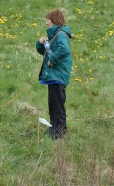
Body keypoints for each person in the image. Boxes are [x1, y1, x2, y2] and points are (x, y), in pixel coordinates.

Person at [36, 9, 72, 139]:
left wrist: (52, 60)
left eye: (47, 20)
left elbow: (64, 50)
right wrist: (40, 44)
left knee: (57, 106)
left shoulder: (61, 34)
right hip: (54, 77)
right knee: (53, 104)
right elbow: (46, 52)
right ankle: (55, 131)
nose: (46, 23)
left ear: (53, 20)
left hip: (58, 76)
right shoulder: (55, 36)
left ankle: (59, 134)